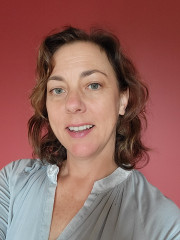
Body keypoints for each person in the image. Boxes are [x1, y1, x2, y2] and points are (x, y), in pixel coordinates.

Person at [0, 26, 179, 240]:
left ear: (122, 100)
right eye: (58, 90)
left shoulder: (165, 224)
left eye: (93, 85)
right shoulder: (13, 180)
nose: (73, 104)